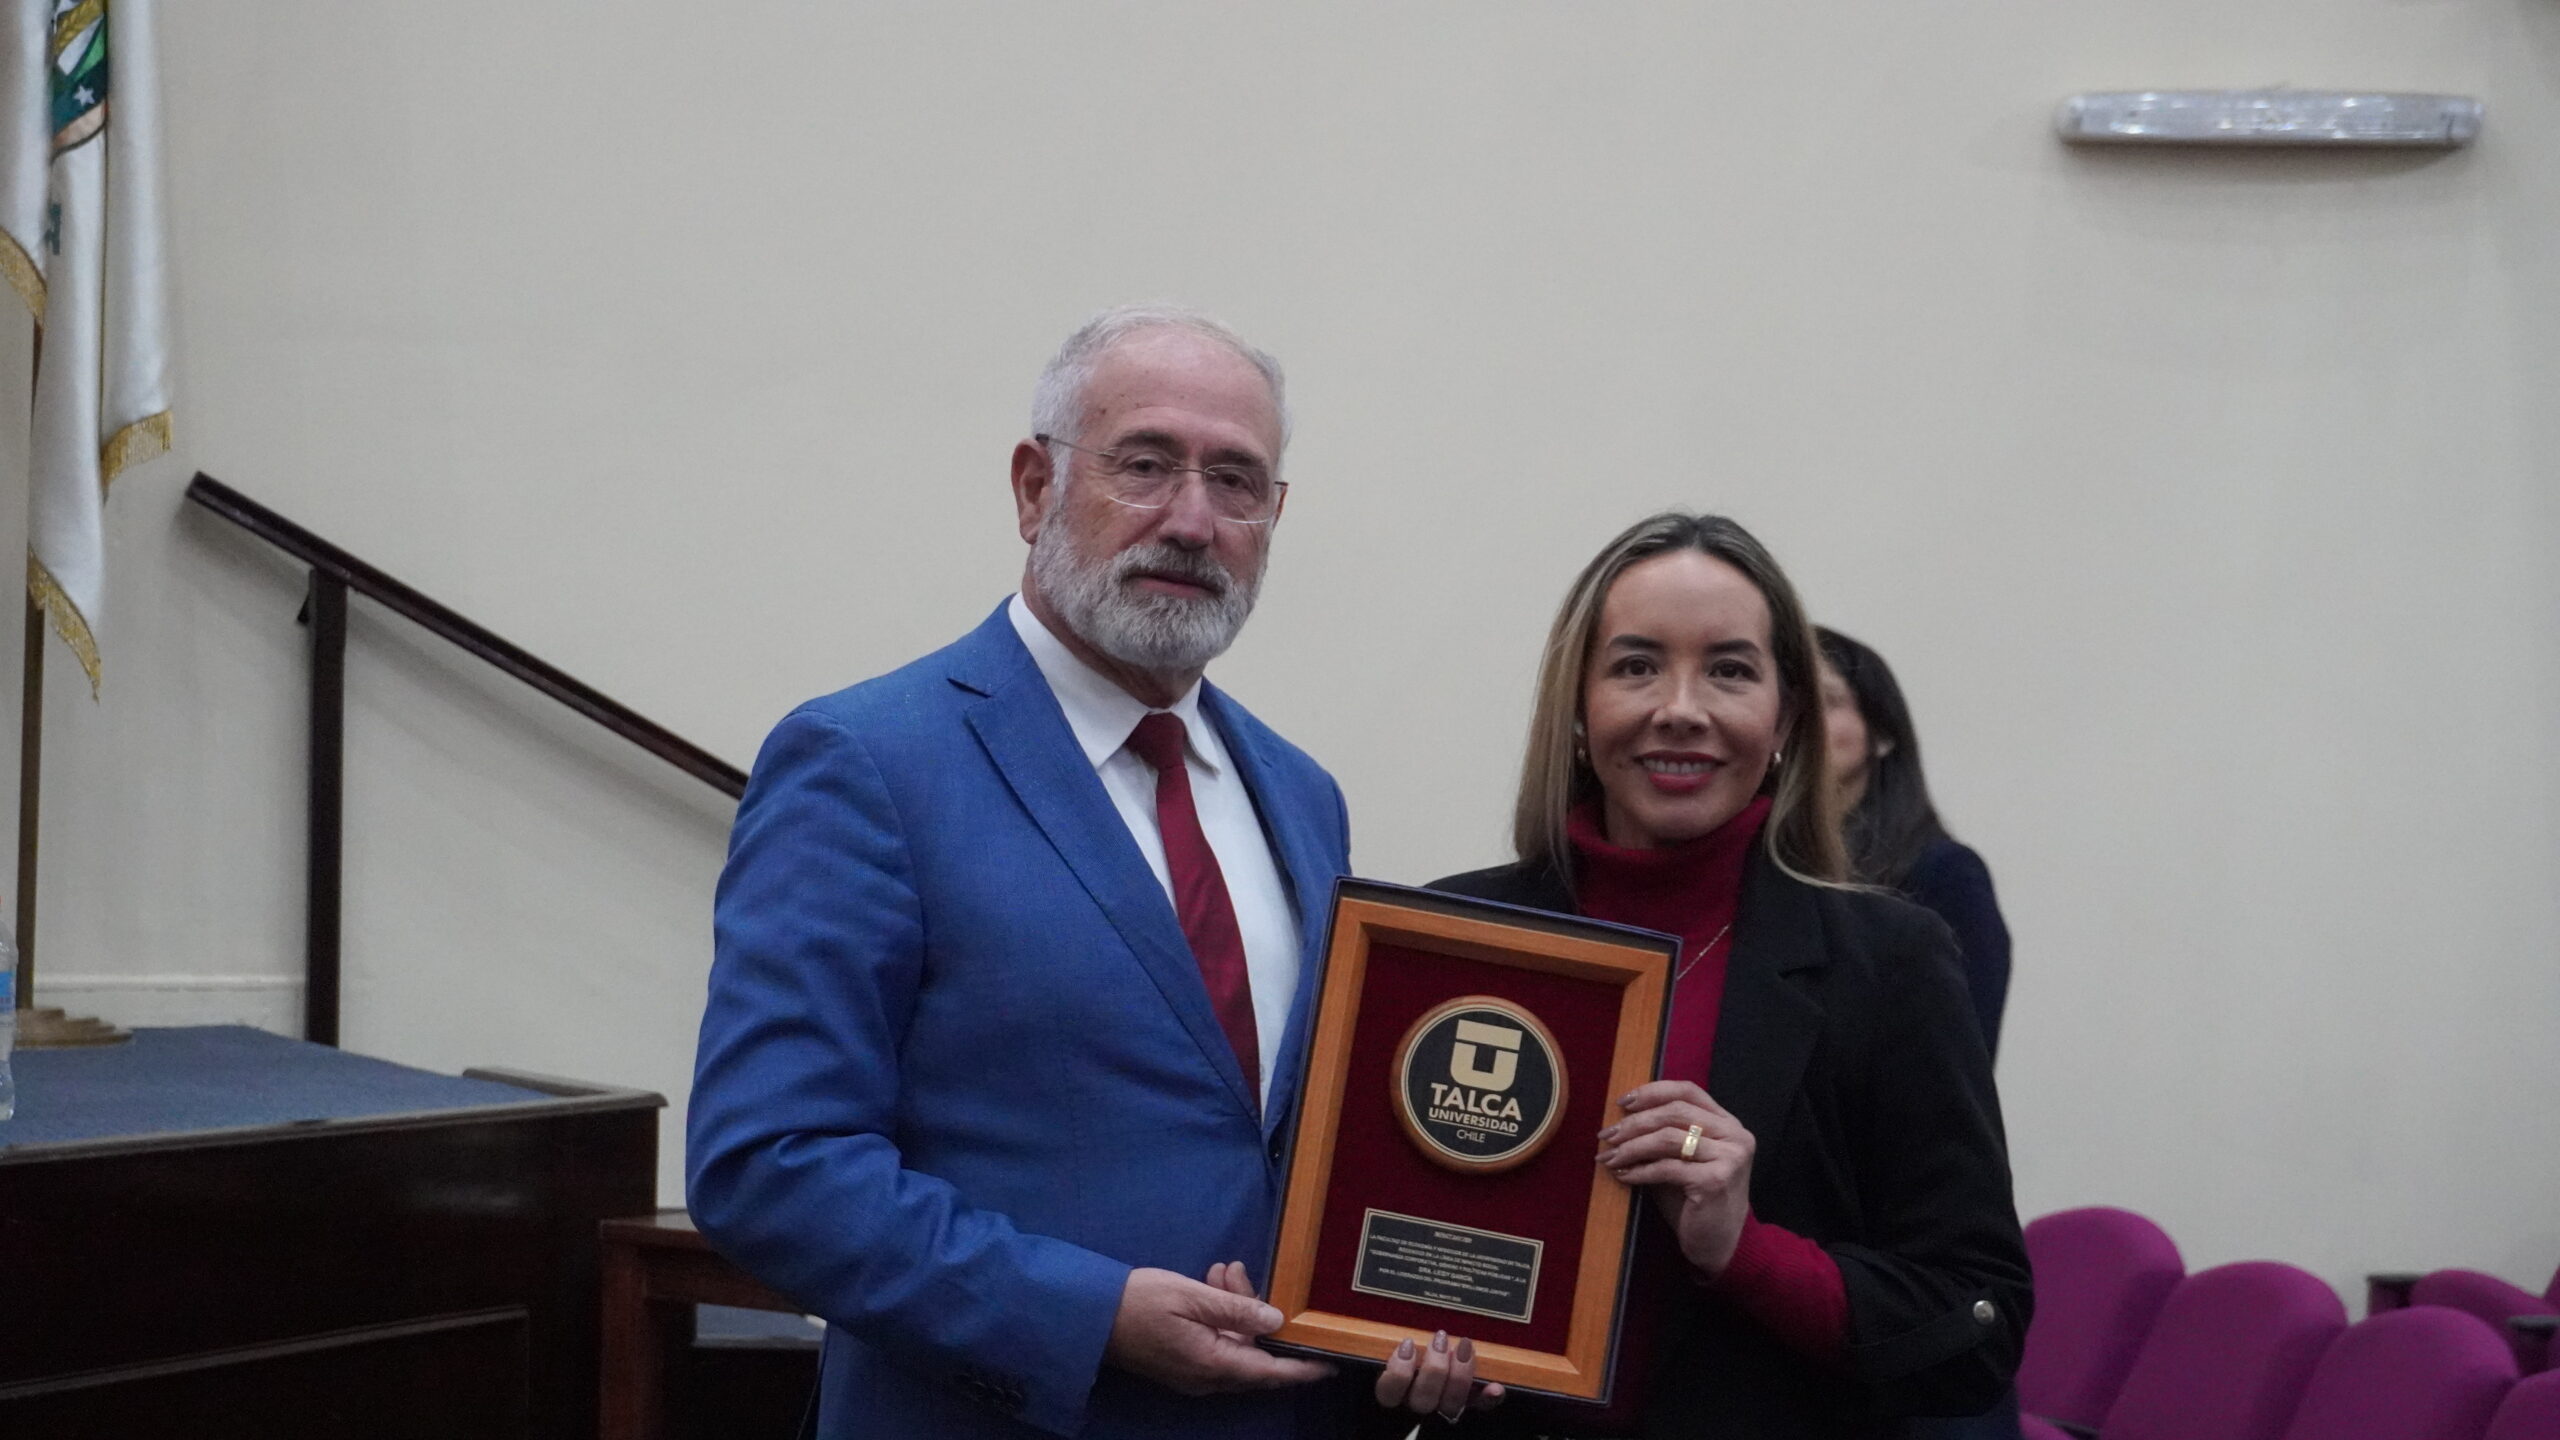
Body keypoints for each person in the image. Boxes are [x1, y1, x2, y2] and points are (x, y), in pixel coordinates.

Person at [687, 306, 1487, 1438]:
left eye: (1235, 481)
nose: (1193, 521)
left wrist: (1418, 1320)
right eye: (1145, 465)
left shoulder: (1301, 795)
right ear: (1033, 489)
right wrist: (1087, 1314)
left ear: (1273, 518)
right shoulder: (866, 763)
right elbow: (769, 1164)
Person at [1426, 512, 2030, 1439]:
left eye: (1730, 670)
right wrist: (1398, 1365)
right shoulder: (1451, 936)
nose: (1681, 707)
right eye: (1636, 666)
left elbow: (1977, 1325)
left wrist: (1743, 1249)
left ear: (1784, 719)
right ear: (1578, 708)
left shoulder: (1892, 962)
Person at [1815, 627, 2012, 1060]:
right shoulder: (1751, 861)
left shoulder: (1946, 873)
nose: (1801, 721)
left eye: (1825, 701)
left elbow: (1963, 1059)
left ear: (1883, 734)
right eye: (1788, 702)